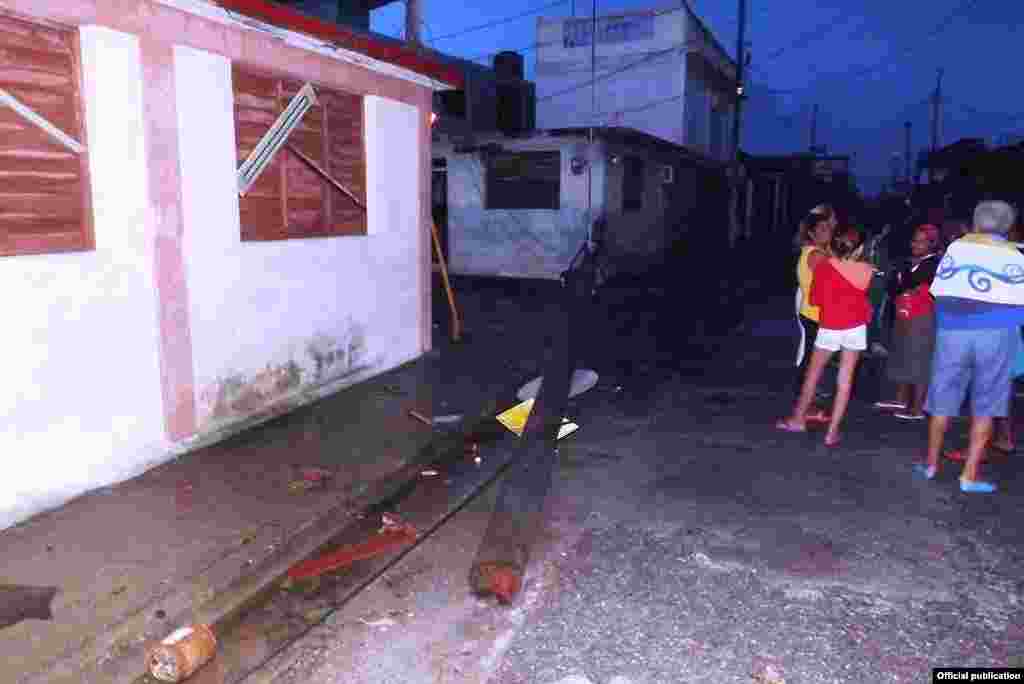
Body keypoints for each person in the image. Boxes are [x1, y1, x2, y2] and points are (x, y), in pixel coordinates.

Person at [917, 201, 1024, 493]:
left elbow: (938, 291)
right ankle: (969, 475)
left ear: (976, 222)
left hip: (953, 332)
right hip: (998, 334)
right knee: (986, 403)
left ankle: (930, 464)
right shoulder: (1016, 255)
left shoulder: (957, 249)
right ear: (1007, 225)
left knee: (943, 396)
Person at [778, 230, 874, 446]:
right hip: (856, 327)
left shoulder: (824, 268)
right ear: (859, 249)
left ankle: (798, 419)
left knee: (813, 374)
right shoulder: (866, 270)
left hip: (830, 325)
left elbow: (815, 299)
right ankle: (832, 432)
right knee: (845, 380)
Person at [874, 225, 941, 419]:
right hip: (903, 314)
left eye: (921, 241)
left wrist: (901, 279)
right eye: (914, 240)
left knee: (920, 360)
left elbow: (909, 283)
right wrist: (901, 280)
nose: (915, 244)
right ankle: (901, 400)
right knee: (901, 355)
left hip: (923, 317)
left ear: (932, 244)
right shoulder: (908, 262)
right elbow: (894, 287)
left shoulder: (934, 264)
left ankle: (918, 408)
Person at [793, 205, 838, 421]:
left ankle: (806, 406)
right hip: (815, 314)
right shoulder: (816, 255)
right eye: (821, 229)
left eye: (828, 228)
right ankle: (805, 407)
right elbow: (837, 277)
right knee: (813, 363)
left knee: (813, 360)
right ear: (812, 233)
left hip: (814, 313)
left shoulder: (818, 251)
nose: (827, 231)